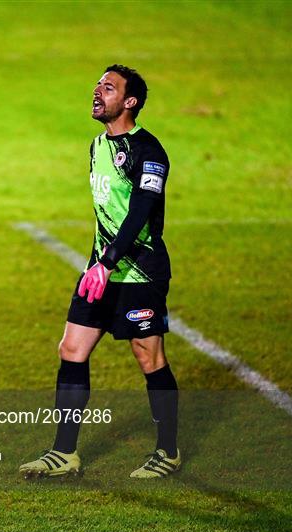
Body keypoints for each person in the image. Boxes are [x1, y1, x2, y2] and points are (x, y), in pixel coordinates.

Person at [19, 64, 180, 479]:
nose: (97, 92)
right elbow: (105, 216)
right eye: (97, 85)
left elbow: (140, 213)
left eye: (108, 88)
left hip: (139, 273)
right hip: (100, 270)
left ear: (130, 102)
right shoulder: (96, 146)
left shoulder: (150, 152)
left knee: (149, 357)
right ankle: (64, 452)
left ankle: (167, 451)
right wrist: (98, 264)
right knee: (71, 349)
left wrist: (109, 262)